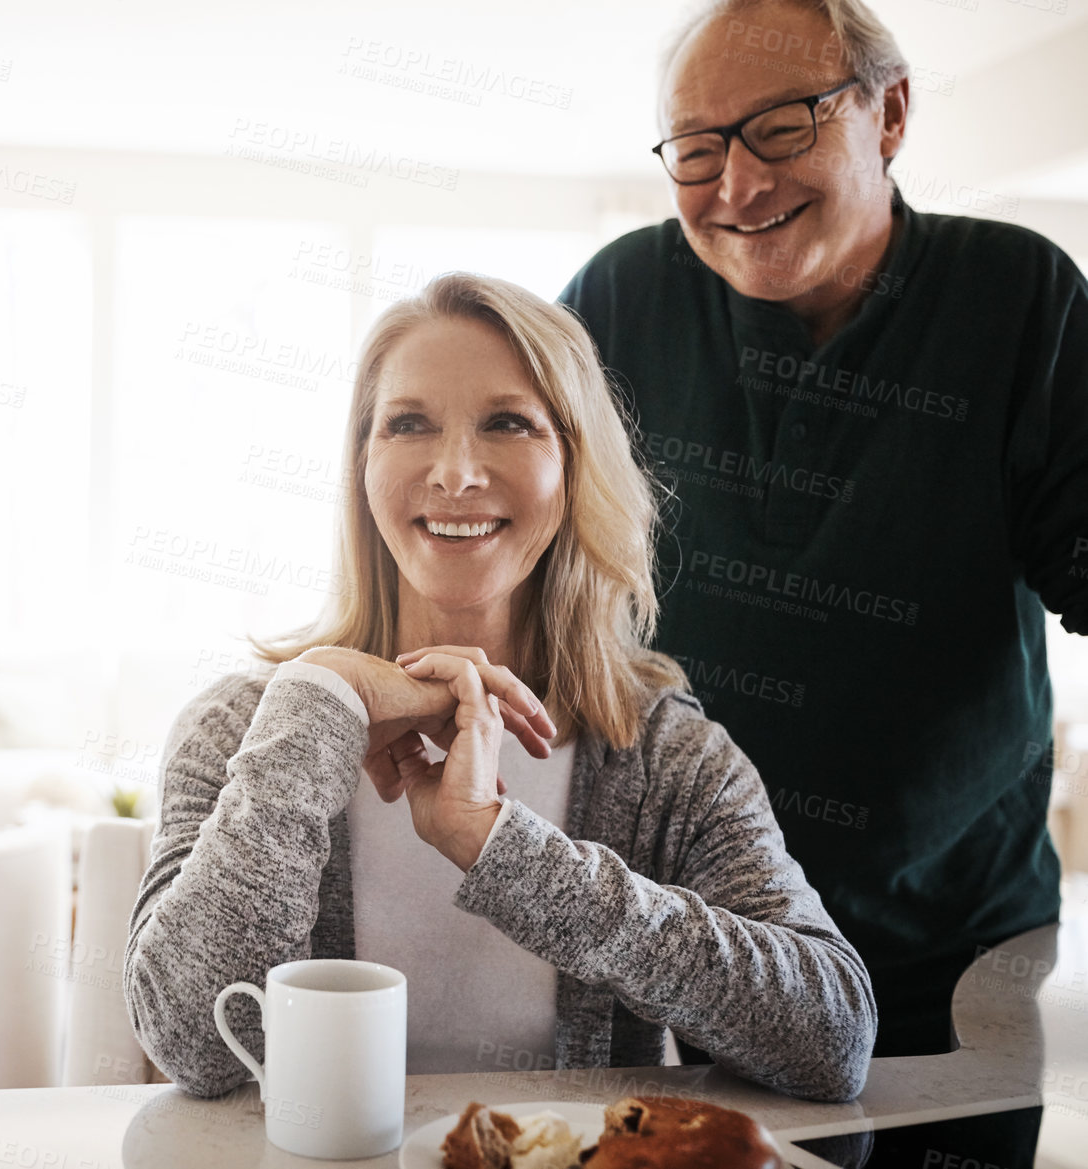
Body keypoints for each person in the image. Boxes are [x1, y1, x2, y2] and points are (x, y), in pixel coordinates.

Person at [123, 272, 876, 1103]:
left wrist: (505, 851)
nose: (454, 472)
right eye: (408, 424)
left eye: (507, 423)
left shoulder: (663, 754)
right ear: (363, 466)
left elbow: (833, 1037)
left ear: (573, 467)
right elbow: (193, 1043)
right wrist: (319, 708)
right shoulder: (247, 726)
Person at [558, 0, 1087, 1059]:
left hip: (953, 935)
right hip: (682, 935)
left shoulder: (1017, 295)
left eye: (782, 126)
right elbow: (524, 551)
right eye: (697, 148)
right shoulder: (622, 296)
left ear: (889, 113)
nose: (737, 183)